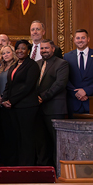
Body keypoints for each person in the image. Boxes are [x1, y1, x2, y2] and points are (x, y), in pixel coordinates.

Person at [1, 40, 40, 166]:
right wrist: (4, 99)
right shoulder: (14, 65)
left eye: (23, 48)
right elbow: (9, 85)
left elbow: (27, 86)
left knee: (26, 137)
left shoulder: (32, 65)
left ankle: (27, 165)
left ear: (28, 50)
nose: (20, 51)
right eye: (18, 48)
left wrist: (11, 101)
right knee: (16, 137)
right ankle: (17, 164)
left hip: (27, 107)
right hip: (14, 107)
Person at [35, 39, 69, 167]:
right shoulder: (37, 64)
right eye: (42, 48)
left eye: (46, 48)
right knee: (41, 141)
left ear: (53, 49)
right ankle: (43, 168)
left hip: (54, 108)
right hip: (38, 108)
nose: (44, 51)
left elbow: (60, 84)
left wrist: (43, 97)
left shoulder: (62, 64)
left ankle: (59, 170)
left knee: (56, 141)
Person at [64, 29, 93, 116]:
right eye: (78, 38)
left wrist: (86, 91)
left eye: (83, 38)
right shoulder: (67, 56)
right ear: (74, 40)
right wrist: (76, 93)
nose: (80, 40)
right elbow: (65, 78)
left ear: (88, 39)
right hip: (74, 102)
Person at [0, 46, 18, 168]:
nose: (6, 55)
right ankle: (3, 160)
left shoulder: (16, 66)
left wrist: (7, 99)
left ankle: (12, 161)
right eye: (3, 53)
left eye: (8, 52)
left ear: (13, 53)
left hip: (11, 103)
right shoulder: (1, 67)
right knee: (2, 133)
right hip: (0, 103)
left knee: (11, 133)